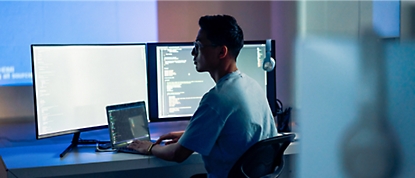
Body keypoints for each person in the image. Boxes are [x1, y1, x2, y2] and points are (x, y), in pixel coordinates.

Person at [128, 14, 278, 178]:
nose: (193, 52)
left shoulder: (217, 98)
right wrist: (190, 135)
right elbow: (238, 134)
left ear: (222, 51)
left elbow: (178, 154)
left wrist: (149, 147)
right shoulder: (252, 85)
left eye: (198, 46)